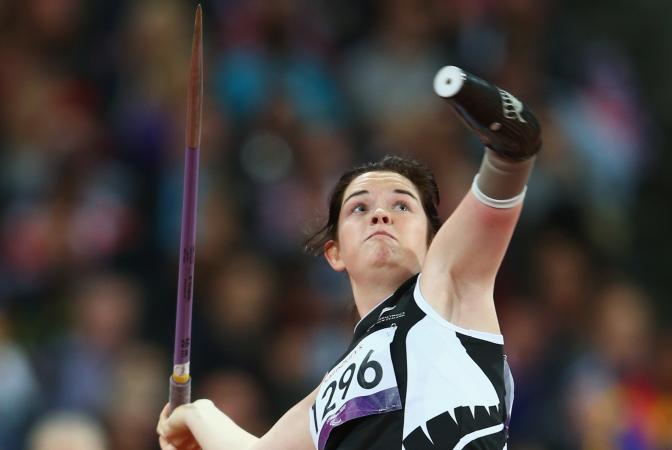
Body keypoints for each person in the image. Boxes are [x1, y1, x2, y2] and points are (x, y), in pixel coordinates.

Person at [157, 66, 542, 450]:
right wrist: (197, 415)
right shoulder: (329, 392)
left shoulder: (449, 288)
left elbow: (509, 164)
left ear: (433, 242)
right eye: (359, 208)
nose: (380, 214)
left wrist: (511, 146)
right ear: (335, 253)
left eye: (401, 206)